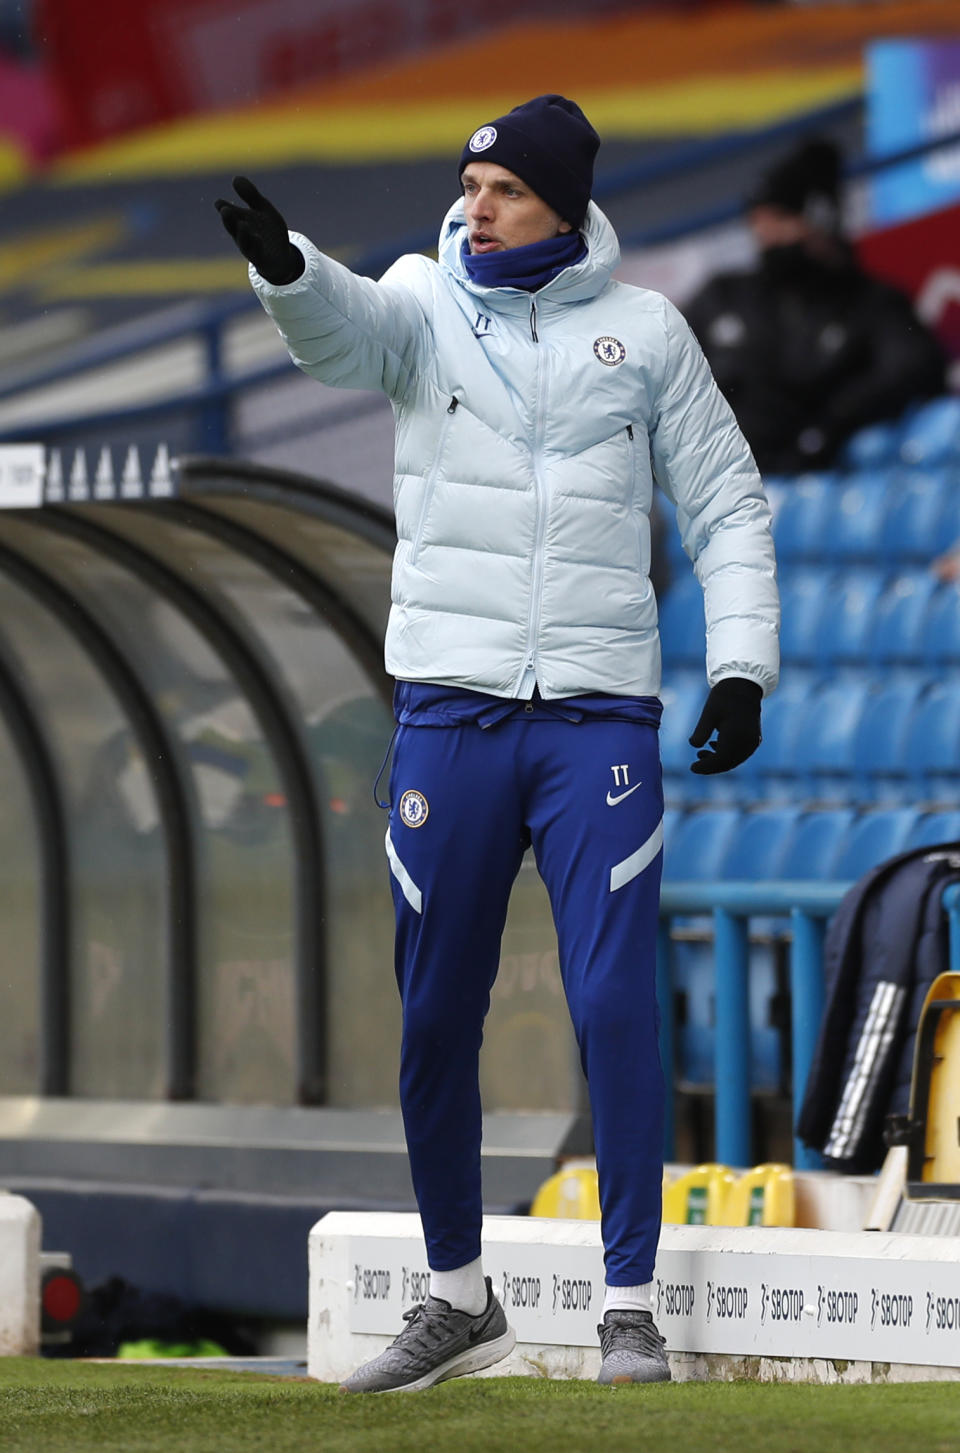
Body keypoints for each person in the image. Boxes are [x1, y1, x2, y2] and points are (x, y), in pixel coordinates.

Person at [216, 93, 779, 1391]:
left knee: (613, 1005)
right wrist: (288, 269)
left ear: (564, 203)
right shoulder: (422, 302)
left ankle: (627, 1307)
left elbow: (730, 500)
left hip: (596, 720)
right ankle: (457, 1294)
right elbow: (343, 335)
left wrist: (742, 666)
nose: (478, 204)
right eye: (471, 182)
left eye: (505, 188)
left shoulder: (645, 334)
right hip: (451, 714)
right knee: (434, 1018)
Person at [684, 138, 946, 475]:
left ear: (821, 218)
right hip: (710, 484)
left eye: (780, 220)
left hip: (815, 484)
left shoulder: (871, 304)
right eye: (757, 222)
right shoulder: (723, 296)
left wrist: (832, 421)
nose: (766, 235)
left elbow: (914, 367)